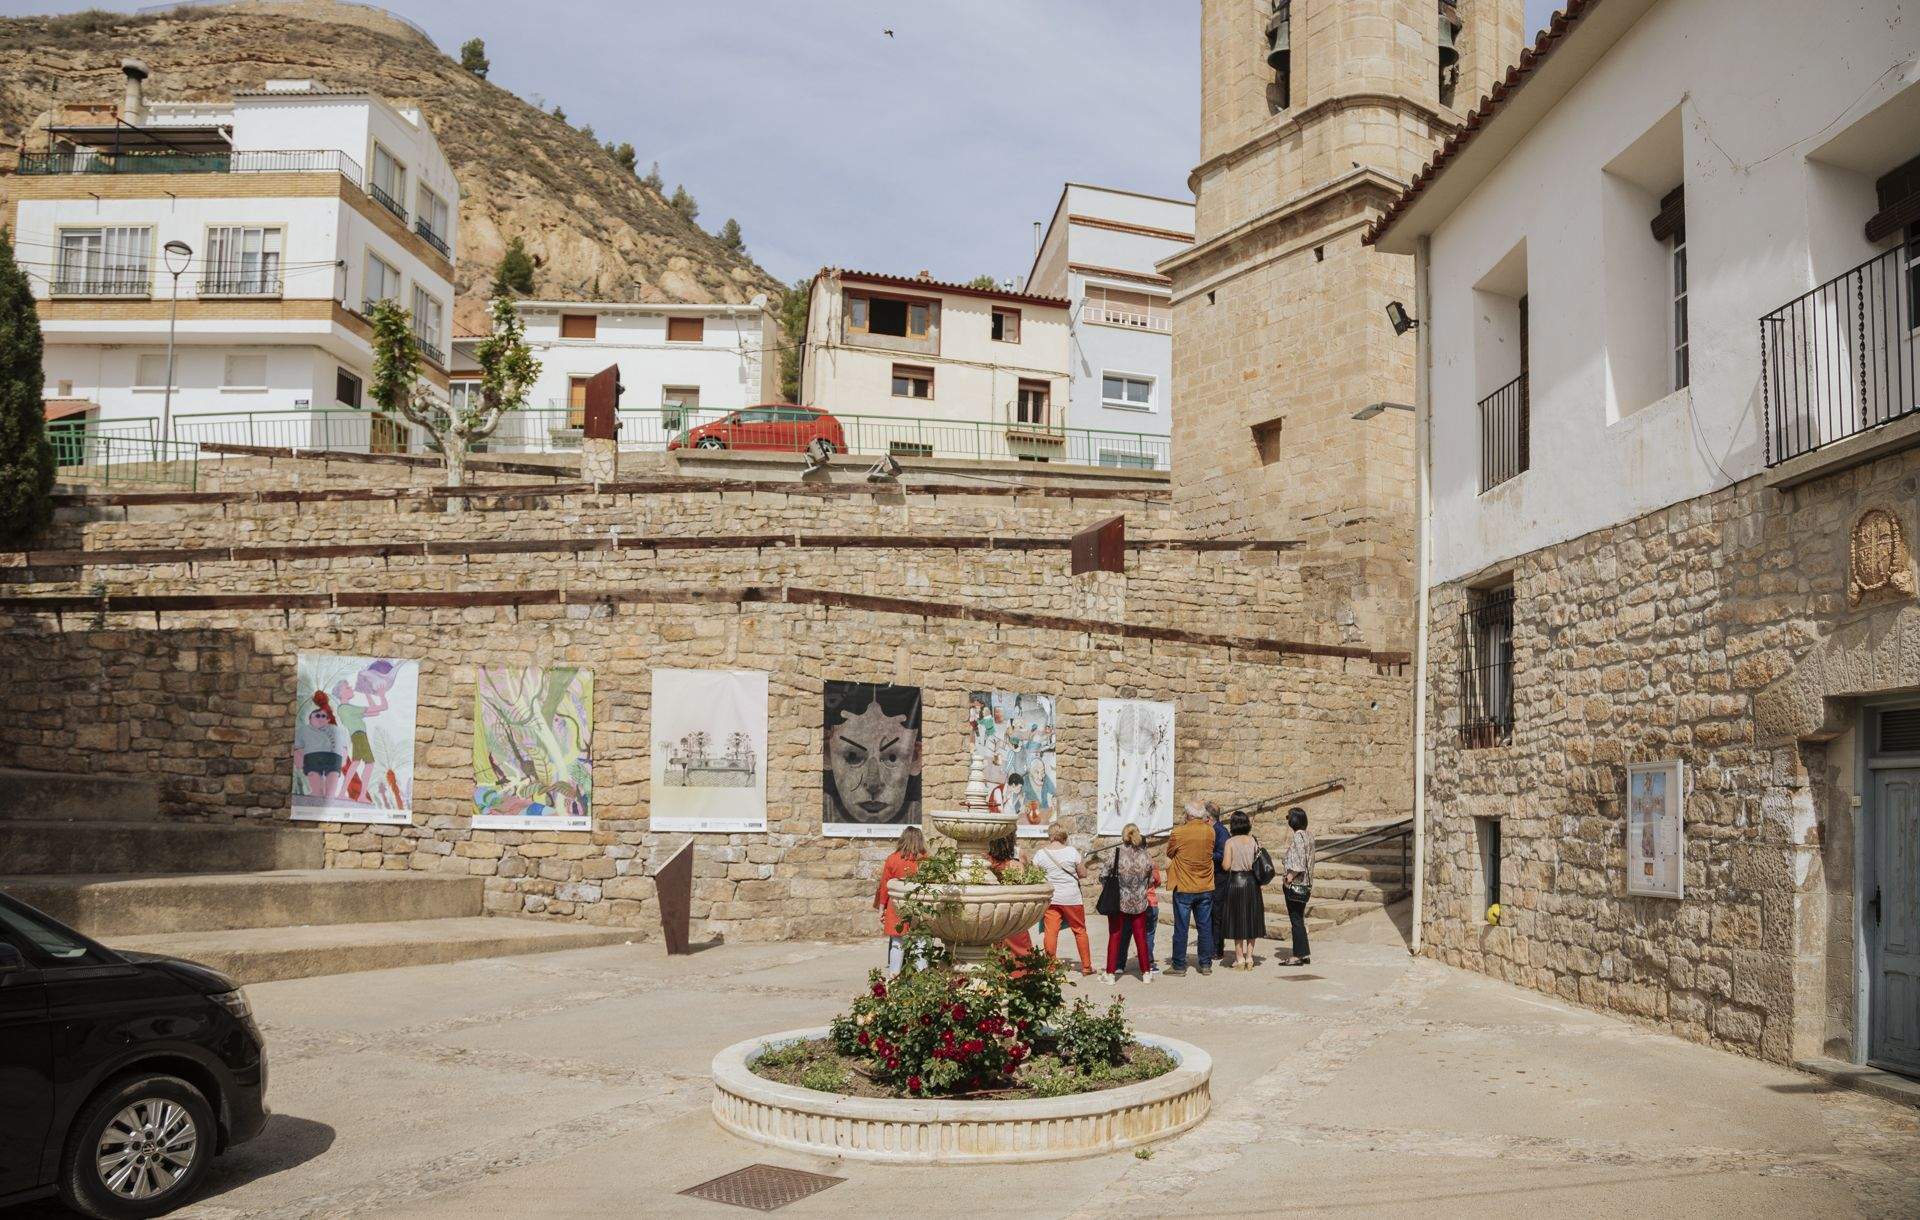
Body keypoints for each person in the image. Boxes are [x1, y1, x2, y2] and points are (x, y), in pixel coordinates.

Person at [1165, 801, 1216, 976]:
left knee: (1181, 927)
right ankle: (1206, 964)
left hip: (1184, 885)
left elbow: (1170, 852)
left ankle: (1179, 965)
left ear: (1188, 815)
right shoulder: (1210, 831)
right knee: (1205, 927)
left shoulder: (1179, 832)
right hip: (1205, 884)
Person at [1033, 824, 1092, 976]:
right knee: (1079, 931)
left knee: (1051, 932)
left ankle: (1050, 966)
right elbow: (1083, 873)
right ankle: (1086, 966)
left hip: (1052, 898)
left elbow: (1035, 876)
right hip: (1072, 898)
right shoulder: (1072, 852)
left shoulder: (1040, 854)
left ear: (1050, 836)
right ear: (1064, 836)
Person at [1101, 823, 1155, 983]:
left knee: (1115, 936)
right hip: (1139, 902)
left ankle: (1110, 974)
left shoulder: (1116, 853)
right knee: (1141, 938)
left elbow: (1103, 874)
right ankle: (1146, 973)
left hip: (1119, 901)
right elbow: (1151, 880)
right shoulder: (1145, 856)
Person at [1217, 811, 1267, 969]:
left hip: (1236, 882)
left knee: (1237, 920)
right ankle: (1250, 957)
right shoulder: (1253, 841)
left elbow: (1225, 865)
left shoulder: (1230, 842)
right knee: (1252, 918)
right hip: (1252, 882)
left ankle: (1239, 958)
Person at [875, 826, 927, 975]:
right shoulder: (925, 859)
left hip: (896, 905)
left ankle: (893, 977)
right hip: (919, 904)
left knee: (897, 943)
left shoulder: (892, 859)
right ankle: (921, 979)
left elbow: (884, 886)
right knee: (920, 941)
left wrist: (881, 909)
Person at [986, 833, 1035, 956]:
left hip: (991, 915)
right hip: (1013, 915)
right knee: (1021, 953)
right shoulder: (1015, 866)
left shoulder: (985, 864)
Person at [1279, 807, 1315, 967]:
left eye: (1289, 817)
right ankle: (1304, 952)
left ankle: (1298, 955)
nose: (1288, 820)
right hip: (1306, 883)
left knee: (1296, 920)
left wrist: (1289, 878)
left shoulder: (1298, 836)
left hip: (1296, 884)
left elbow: (1299, 863)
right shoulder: (1309, 836)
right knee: (1299, 919)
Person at [1208, 800, 1230, 960]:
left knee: (1217, 913)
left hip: (1220, 878)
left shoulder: (1220, 832)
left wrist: (1207, 855)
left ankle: (1217, 949)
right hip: (1213, 877)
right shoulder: (1214, 830)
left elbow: (1222, 855)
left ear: (1208, 817)